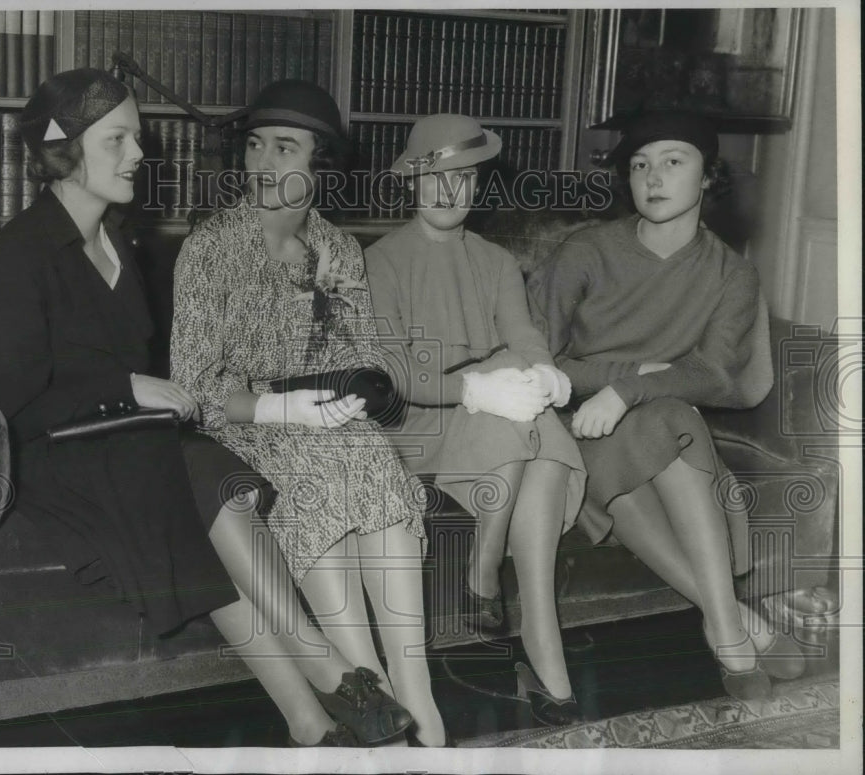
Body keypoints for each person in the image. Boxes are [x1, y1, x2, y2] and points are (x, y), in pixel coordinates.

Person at [0, 68, 416, 748]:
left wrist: (140, 393)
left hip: (124, 437)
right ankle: (325, 674)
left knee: (216, 478)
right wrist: (126, 386)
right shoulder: (19, 255)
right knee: (190, 477)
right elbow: (7, 402)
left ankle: (312, 720)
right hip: (56, 454)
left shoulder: (119, 241)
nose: (139, 155)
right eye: (118, 139)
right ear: (65, 150)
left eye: (138, 139)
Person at [170, 79, 449, 747]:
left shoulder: (340, 250)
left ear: (320, 165)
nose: (262, 162)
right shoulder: (211, 247)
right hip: (242, 418)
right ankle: (366, 683)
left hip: (324, 416)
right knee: (324, 458)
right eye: (256, 145)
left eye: (284, 148)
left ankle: (414, 693)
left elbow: (359, 354)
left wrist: (357, 391)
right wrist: (279, 405)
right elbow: (192, 388)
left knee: (367, 454)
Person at [541, 110, 805, 700]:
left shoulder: (732, 275)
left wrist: (629, 390)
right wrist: (625, 375)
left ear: (708, 177)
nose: (653, 177)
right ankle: (735, 625)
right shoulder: (585, 251)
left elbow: (709, 374)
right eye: (640, 165)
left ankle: (728, 627)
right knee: (663, 421)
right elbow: (538, 360)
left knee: (667, 417)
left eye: (672, 162)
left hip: (660, 421)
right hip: (575, 421)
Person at [364, 114, 587, 727]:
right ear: (411, 181)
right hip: (422, 421)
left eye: (463, 177)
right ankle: (484, 575)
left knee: (525, 397)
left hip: (497, 423)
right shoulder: (381, 261)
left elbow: (523, 335)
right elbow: (394, 374)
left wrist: (542, 374)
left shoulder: (495, 261)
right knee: (514, 407)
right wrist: (478, 389)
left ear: (478, 185)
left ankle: (545, 668)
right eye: (434, 176)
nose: (449, 190)